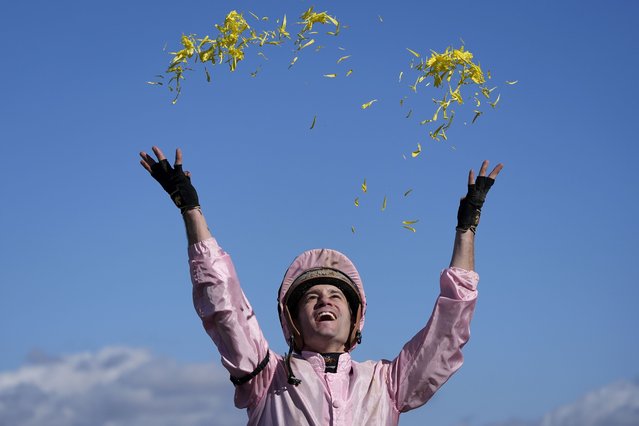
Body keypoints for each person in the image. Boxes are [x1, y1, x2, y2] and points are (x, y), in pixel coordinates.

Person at [139, 146, 503, 425]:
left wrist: (466, 230)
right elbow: (224, 307)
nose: (324, 301)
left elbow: (448, 331)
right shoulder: (268, 377)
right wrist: (190, 210)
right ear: (293, 321)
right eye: (311, 297)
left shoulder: (387, 383)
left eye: (335, 296)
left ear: (355, 318)